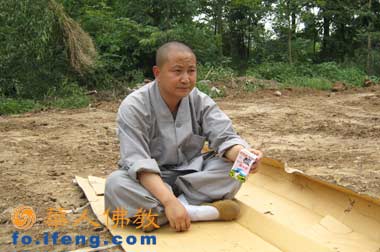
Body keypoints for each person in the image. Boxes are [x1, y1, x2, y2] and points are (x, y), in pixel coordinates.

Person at [104, 41, 263, 232]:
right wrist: (169, 200)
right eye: (177, 71)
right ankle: (199, 211)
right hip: (151, 181)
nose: (186, 79)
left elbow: (225, 137)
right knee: (116, 184)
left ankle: (167, 213)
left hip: (192, 175)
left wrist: (242, 155)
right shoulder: (134, 106)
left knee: (239, 168)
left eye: (191, 71)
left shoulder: (200, 100)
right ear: (157, 73)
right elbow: (138, 162)